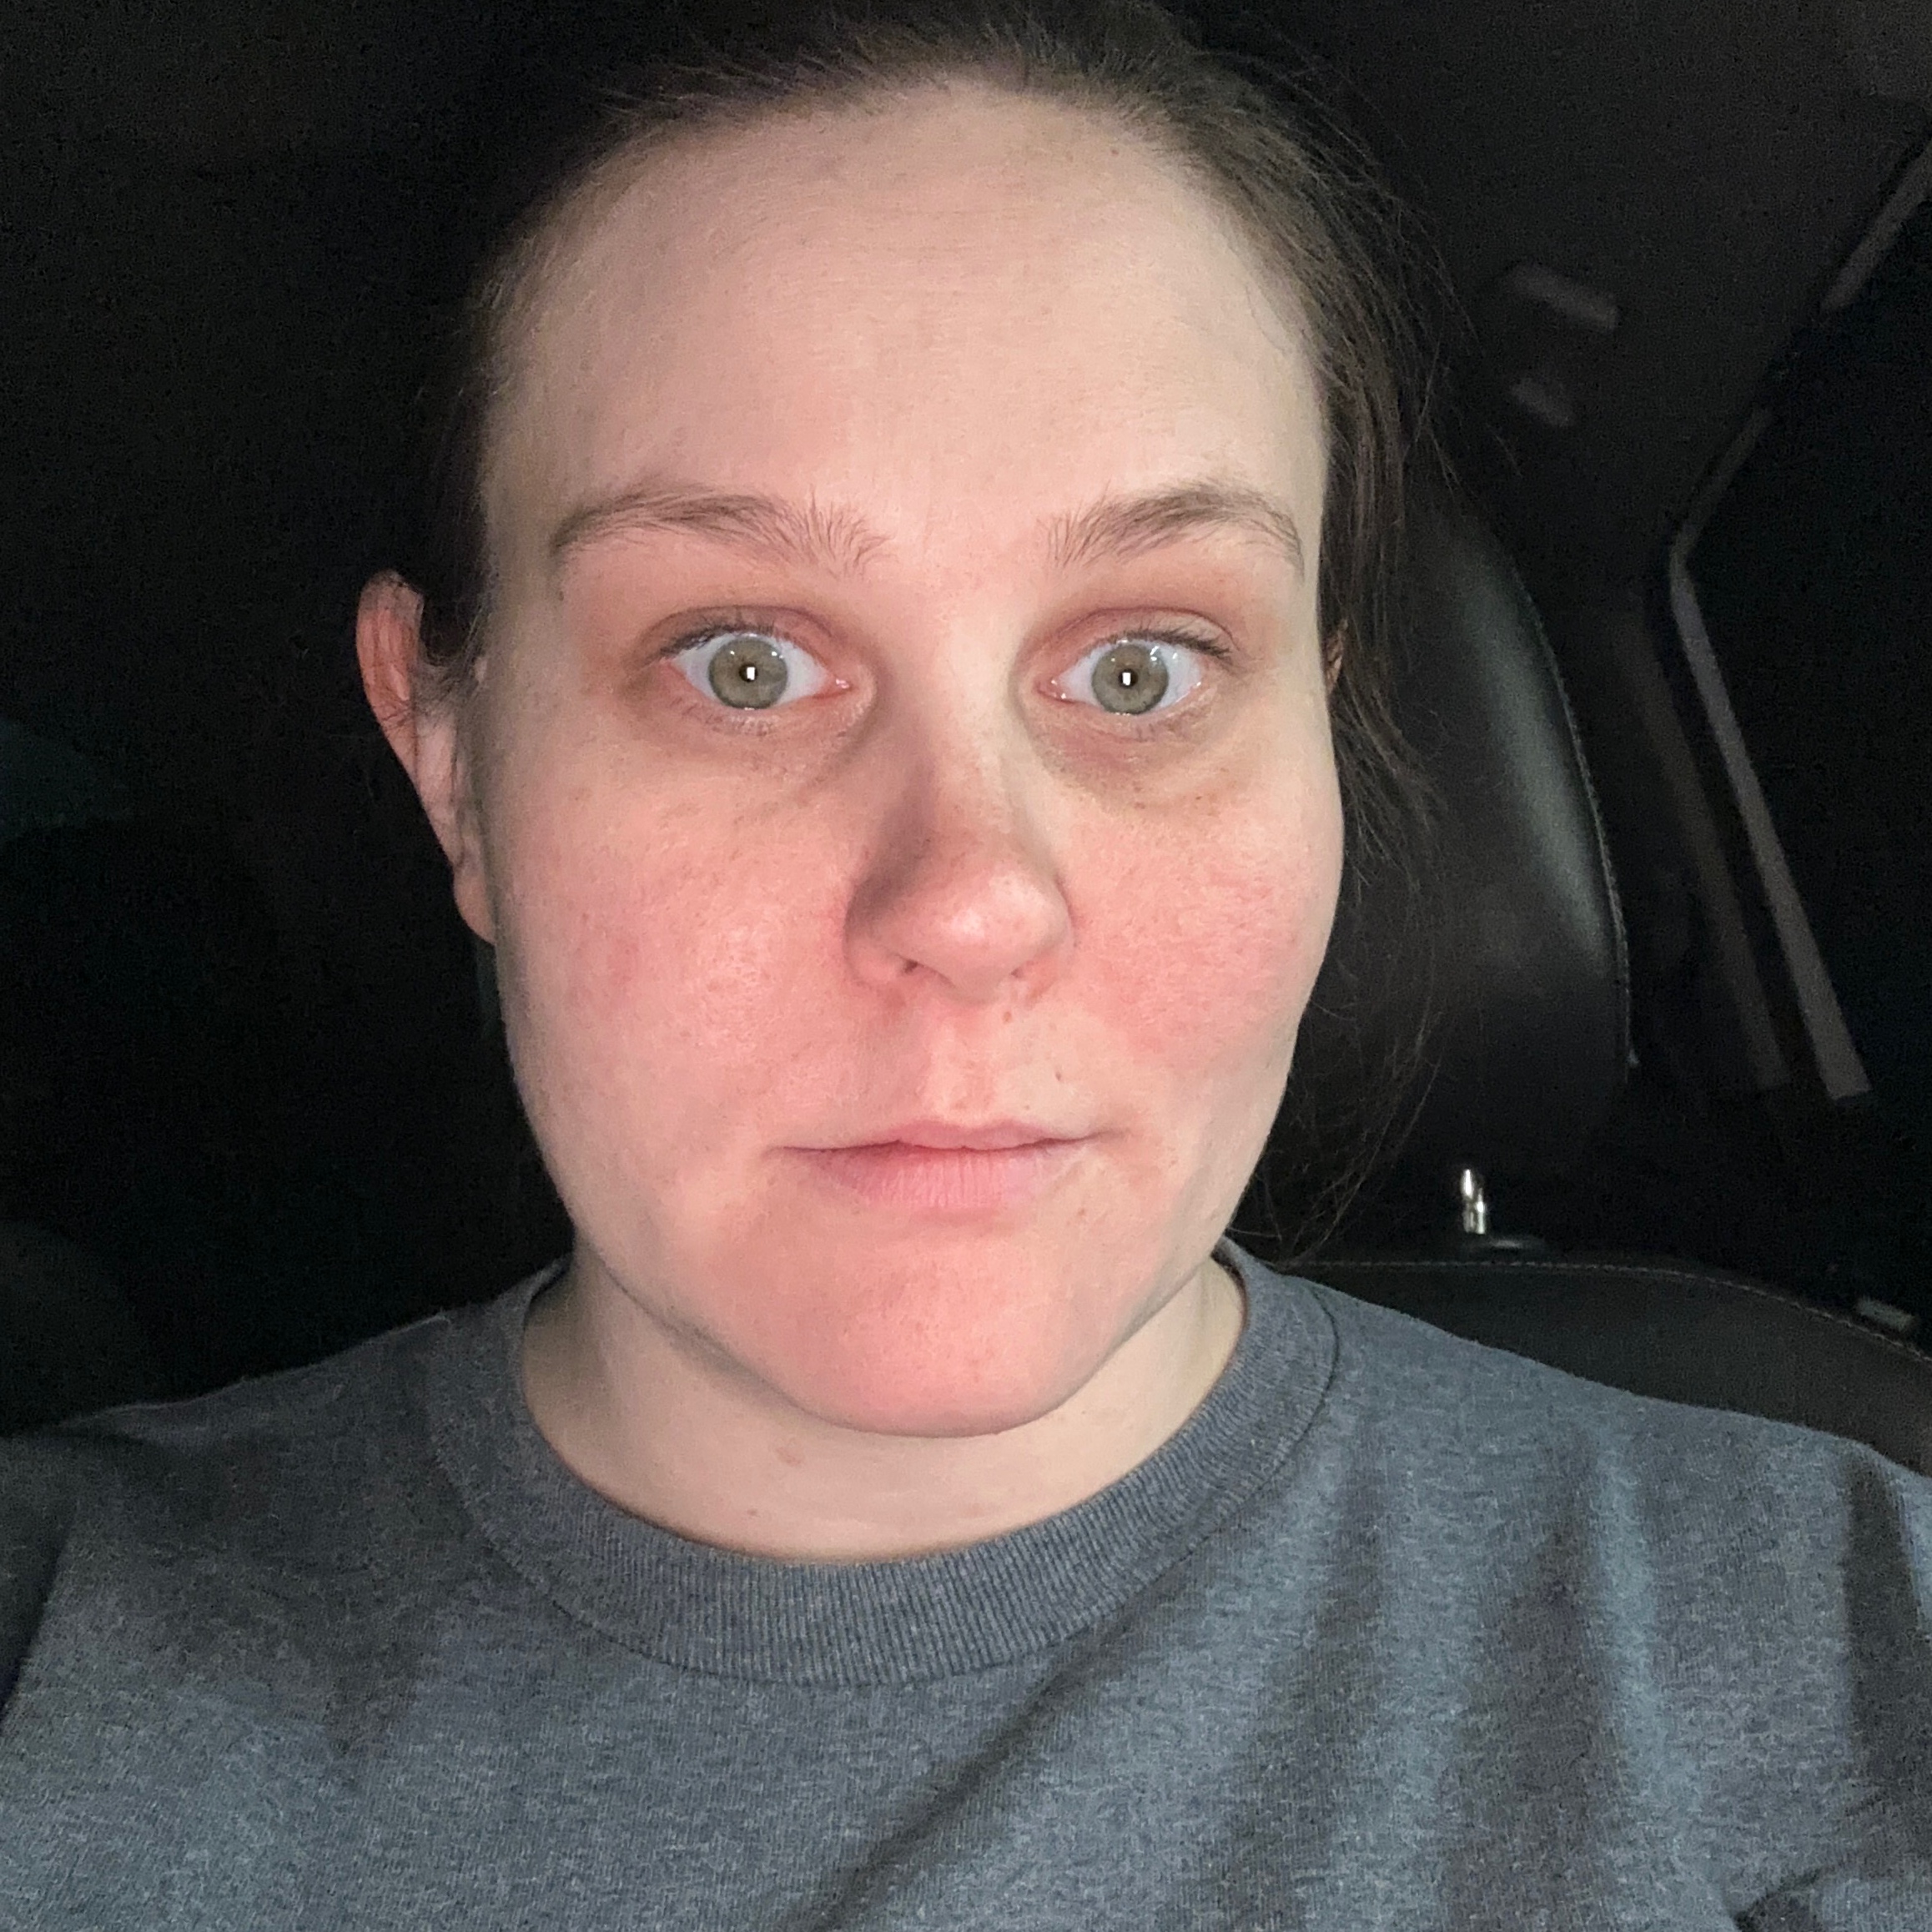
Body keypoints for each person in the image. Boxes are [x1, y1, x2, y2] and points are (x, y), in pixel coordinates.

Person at [2, 3, 1928, 1924]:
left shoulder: (1854, 1661)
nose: (975, 899)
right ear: (450, 763)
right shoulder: (53, 1667)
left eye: (1140, 670)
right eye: (741, 663)